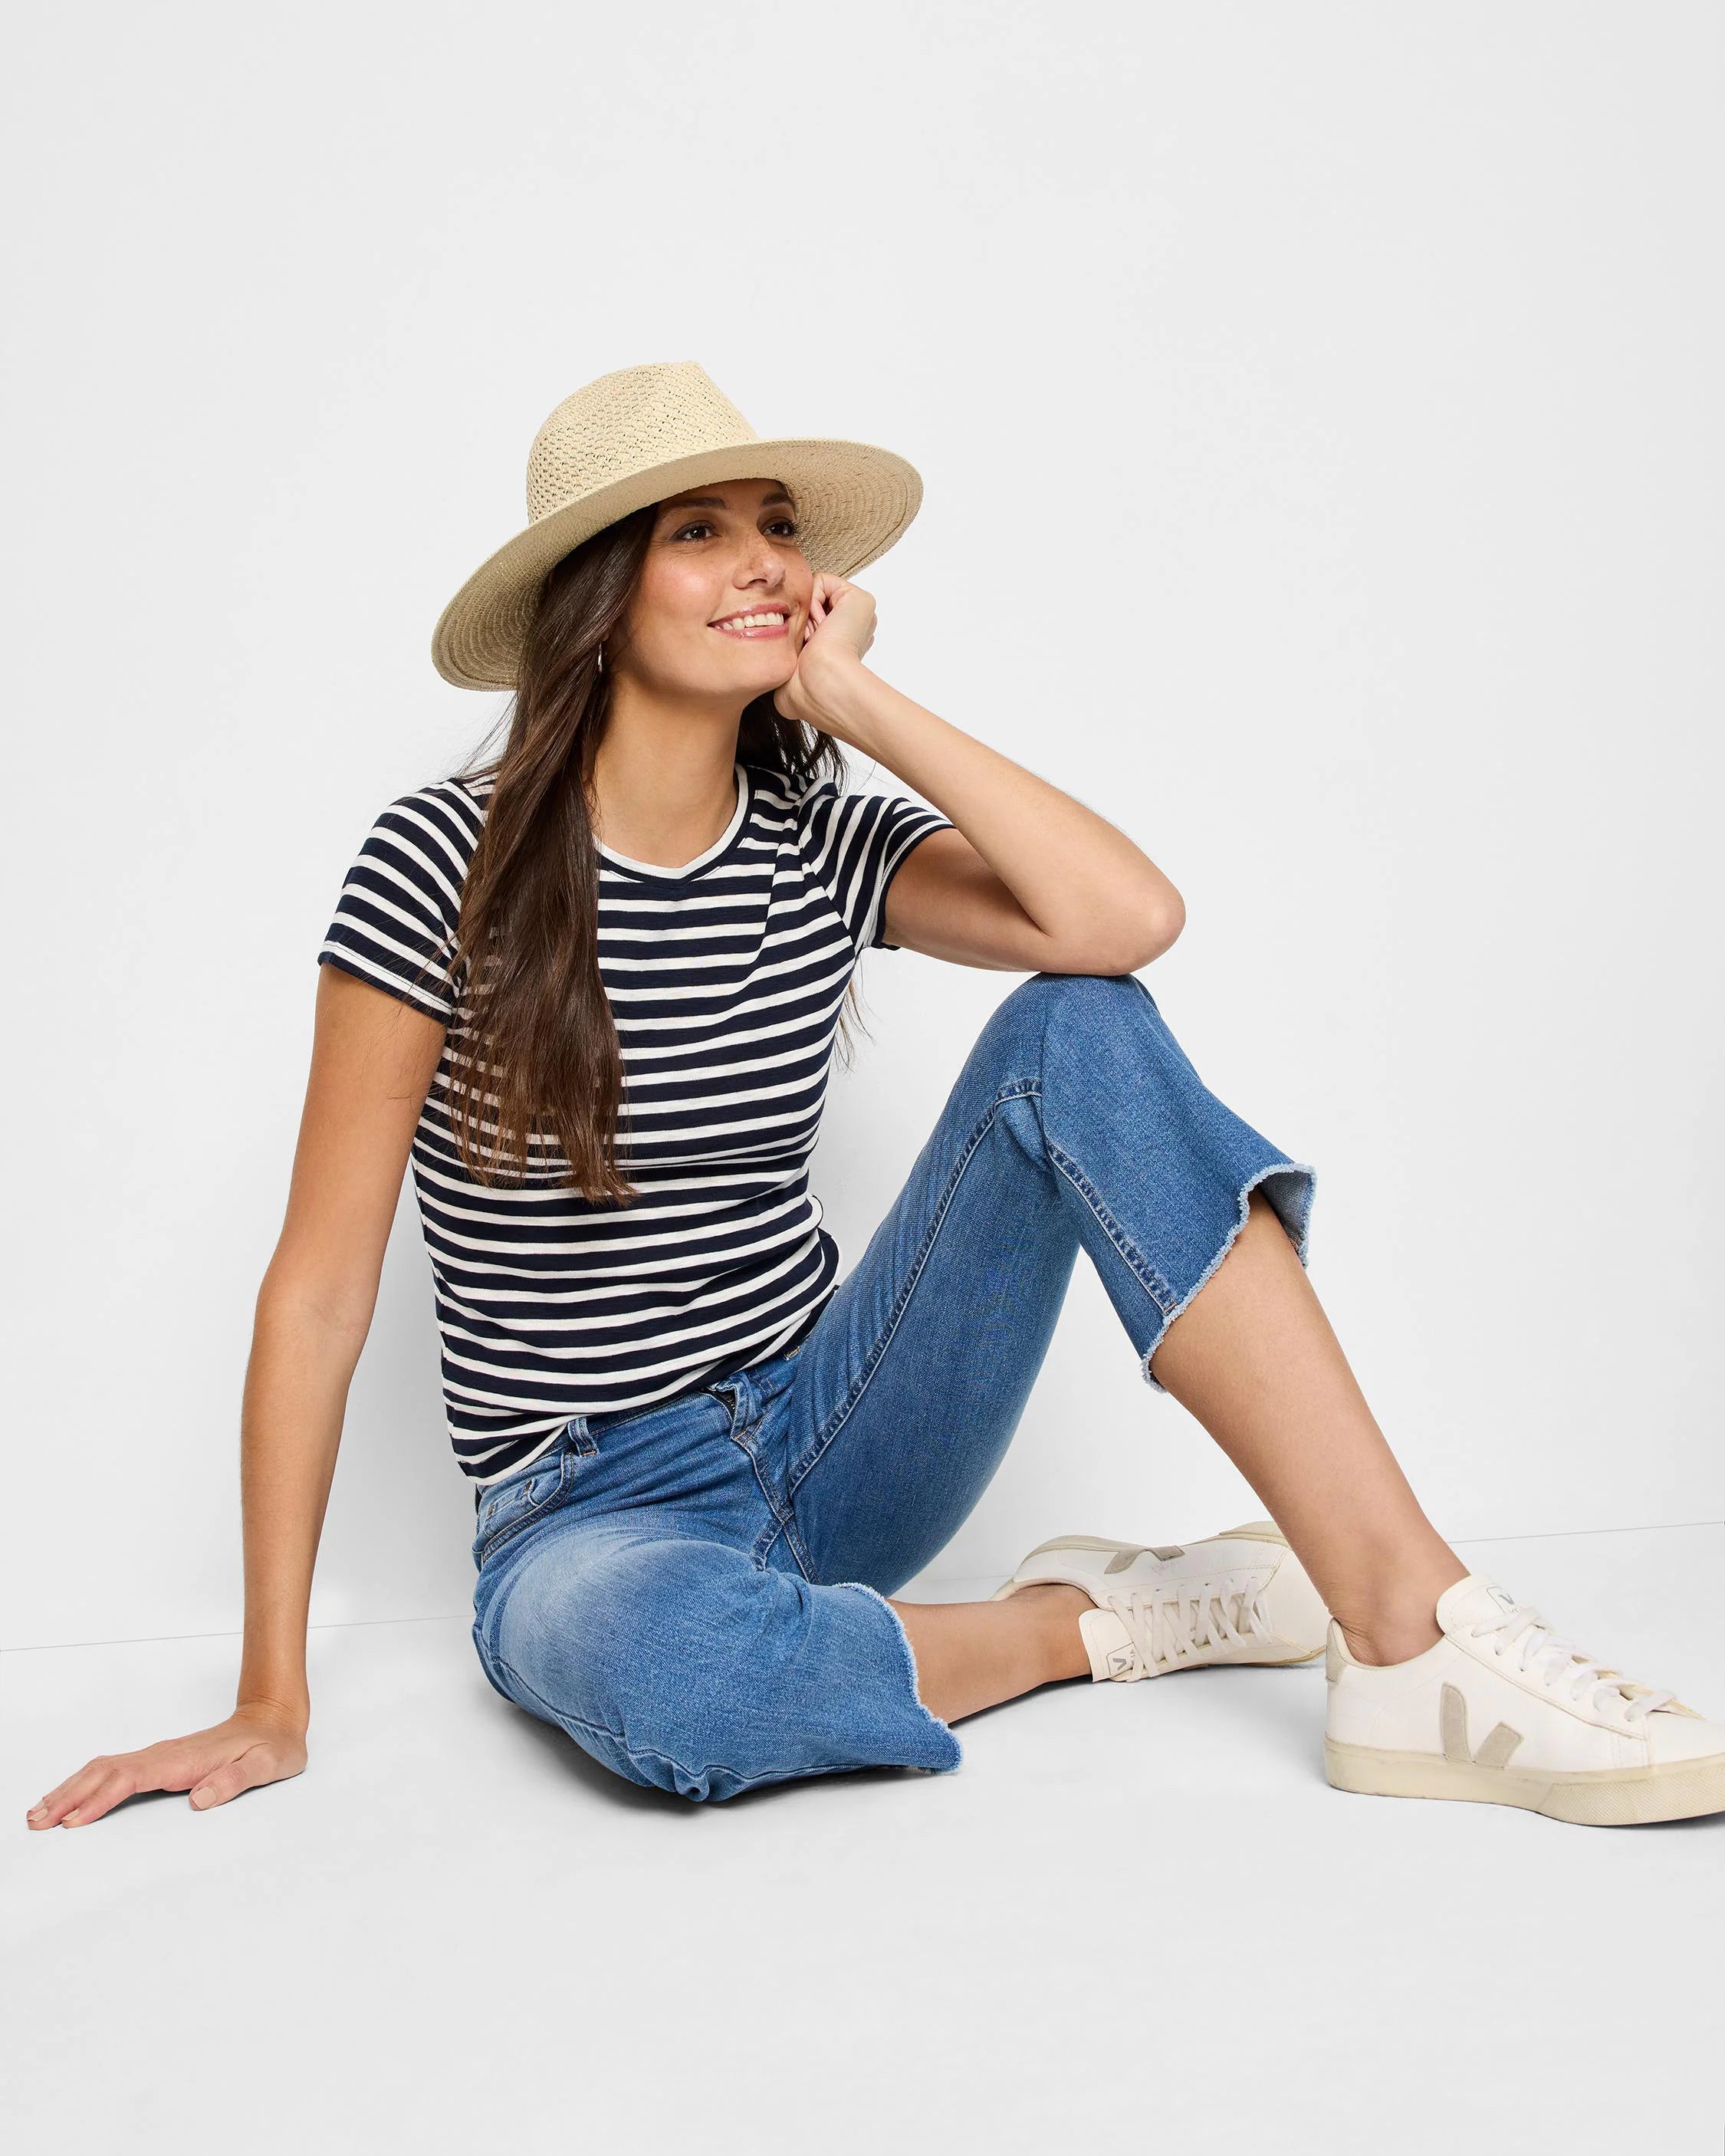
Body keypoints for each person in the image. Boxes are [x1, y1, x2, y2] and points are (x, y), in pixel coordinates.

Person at [28, 361, 1723, 1831]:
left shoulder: (820, 841)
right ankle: (1106, 1623)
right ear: (597, 595)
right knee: (675, 1686)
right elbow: (320, 1291)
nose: (767, 562)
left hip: (836, 1426)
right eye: (700, 532)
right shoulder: (436, 867)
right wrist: (272, 1696)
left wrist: (850, 699)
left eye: (778, 526)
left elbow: (1122, 923)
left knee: (1085, 1025)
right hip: (583, 1514)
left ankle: (1415, 1646)